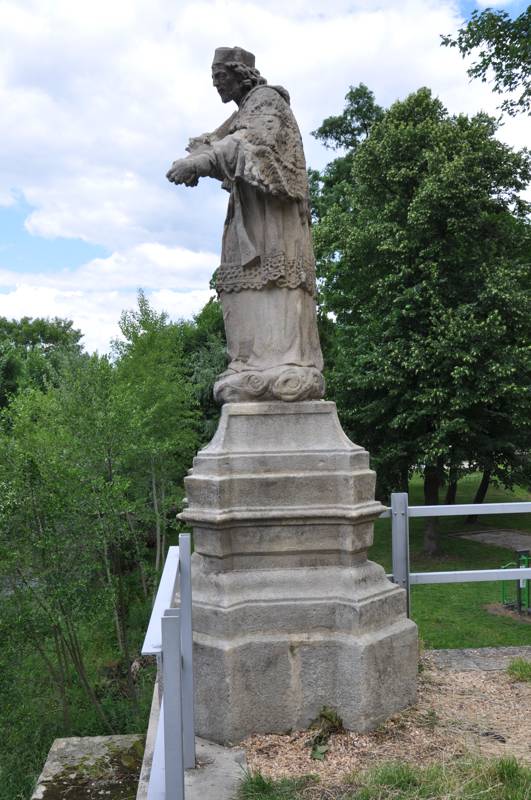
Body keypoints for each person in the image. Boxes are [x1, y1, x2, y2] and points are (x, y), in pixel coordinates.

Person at [167, 46, 324, 402]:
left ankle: (286, 365)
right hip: (249, 215)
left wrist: (203, 161)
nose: (216, 84)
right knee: (239, 287)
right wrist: (202, 153)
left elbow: (253, 145)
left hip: (273, 221)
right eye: (214, 78)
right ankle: (249, 364)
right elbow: (222, 141)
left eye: (220, 76)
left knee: (276, 283)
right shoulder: (244, 111)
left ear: (241, 73)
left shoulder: (267, 102)